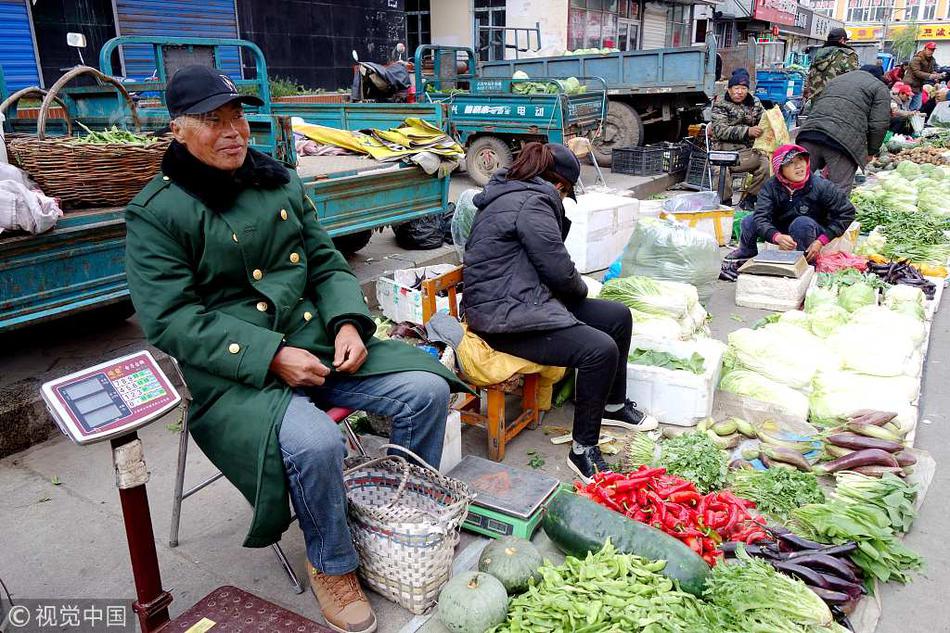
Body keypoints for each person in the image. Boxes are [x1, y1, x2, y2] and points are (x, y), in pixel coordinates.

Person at [124, 65, 467, 633]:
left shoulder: (277, 180)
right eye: (214, 120)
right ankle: (331, 561)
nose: (235, 131)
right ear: (178, 130)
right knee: (316, 440)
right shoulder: (158, 212)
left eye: (238, 116)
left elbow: (327, 262)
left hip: (318, 342)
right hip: (238, 373)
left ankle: (399, 516)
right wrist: (271, 355)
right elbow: (171, 320)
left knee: (426, 389)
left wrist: (348, 324)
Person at [461, 142, 658, 482]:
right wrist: (582, 290)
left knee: (617, 317)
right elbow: (559, 271)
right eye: (566, 193)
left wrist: (574, 293)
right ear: (557, 184)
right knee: (599, 349)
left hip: (521, 300)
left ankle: (612, 404)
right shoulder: (531, 202)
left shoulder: (516, 194)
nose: (565, 200)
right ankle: (583, 450)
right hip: (504, 319)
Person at [726, 144, 856, 265]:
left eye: (801, 160)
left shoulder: (821, 186)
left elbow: (847, 212)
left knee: (802, 223)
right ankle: (747, 251)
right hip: (782, 228)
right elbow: (761, 216)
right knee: (750, 220)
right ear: (780, 169)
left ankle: (805, 260)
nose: (798, 166)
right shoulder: (770, 187)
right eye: (790, 163)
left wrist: (822, 240)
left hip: (812, 230)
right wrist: (776, 236)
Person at [796, 65, 890, 195]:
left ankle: (788, 214)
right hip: (842, 142)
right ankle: (833, 215)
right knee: (839, 192)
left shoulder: (837, 80)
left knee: (796, 183)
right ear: (879, 77)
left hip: (809, 133)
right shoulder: (879, 87)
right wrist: (871, 151)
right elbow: (879, 124)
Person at [709, 68, 769, 209]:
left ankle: (751, 198)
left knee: (765, 165)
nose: (739, 92)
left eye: (743, 88)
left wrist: (774, 122)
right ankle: (725, 203)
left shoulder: (755, 102)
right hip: (723, 152)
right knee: (720, 171)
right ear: (729, 89)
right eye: (736, 88)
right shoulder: (720, 104)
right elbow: (720, 130)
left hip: (746, 152)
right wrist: (748, 131)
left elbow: (765, 120)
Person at [803, 27, 859, 104]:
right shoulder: (848, 54)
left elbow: (809, 77)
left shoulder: (818, 53)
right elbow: (854, 79)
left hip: (816, 101)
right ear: (842, 40)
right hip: (836, 101)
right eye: (845, 41)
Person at [904, 42, 944, 110]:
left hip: (919, 87)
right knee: (906, 107)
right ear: (925, 48)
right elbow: (917, 72)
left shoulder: (932, 60)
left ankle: (910, 119)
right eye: (929, 49)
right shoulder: (917, 58)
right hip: (909, 86)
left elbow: (931, 71)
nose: (931, 51)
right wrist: (931, 76)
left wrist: (938, 75)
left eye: (932, 50)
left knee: (917, 107)